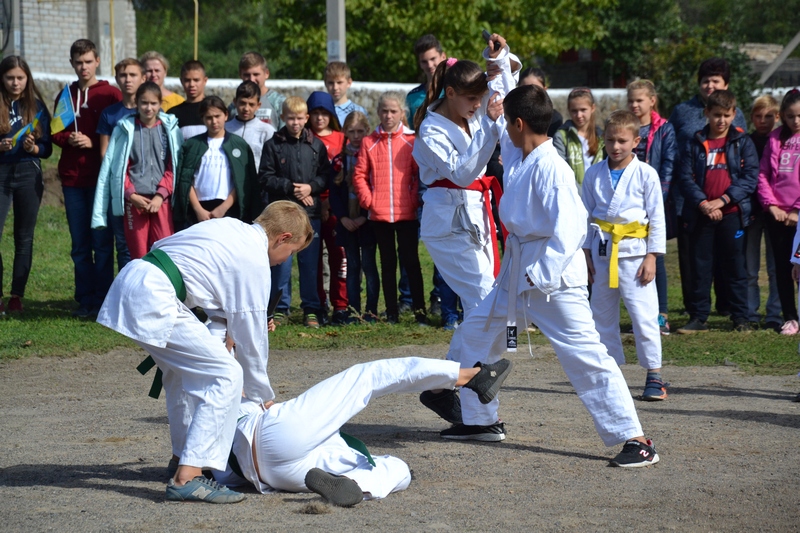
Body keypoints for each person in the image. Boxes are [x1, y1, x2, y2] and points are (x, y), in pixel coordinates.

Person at [424, 40, 660, 465]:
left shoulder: (551, 167)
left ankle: (637, 439)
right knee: (477, 332)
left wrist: (540, 275)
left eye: (506, 123)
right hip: (517, 273)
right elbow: (516, 100)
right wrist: (500, 63)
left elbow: (571, 229)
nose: (501, 130)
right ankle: (480, 421)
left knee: (586, 356)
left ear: (516, 124)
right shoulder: (522, 150)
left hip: (553, 280)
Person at [97, 200, 314, 503]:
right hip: (156, 296)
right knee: (227, 375)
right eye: (289, 254)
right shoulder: (253, 259)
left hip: (137, 278)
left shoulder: (229, 226)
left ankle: (181, 456)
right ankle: (189, 477)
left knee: (178, 375)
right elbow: (251, 339)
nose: (283, 261)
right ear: (283, 238)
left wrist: (225, 322)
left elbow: (175, 253)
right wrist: (263, 395)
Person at [212, 356, 512, 506]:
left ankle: (354, 486)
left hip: (269, 475)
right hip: (275, 441)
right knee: (365, 376)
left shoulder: (211, 411)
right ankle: (470, 376)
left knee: (400, 467)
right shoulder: (229, 392)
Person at [411, 51, 506, 321]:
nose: (478, 104)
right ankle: (479, 361)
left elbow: (503, 85)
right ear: (450, 93)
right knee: (484, 295)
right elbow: (461, 174)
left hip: (476, 213)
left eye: (480, 97)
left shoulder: (470, 110)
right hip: (448, 222)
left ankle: (466, 362)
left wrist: (498, 57)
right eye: (472, 98)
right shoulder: (431, 131)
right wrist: (488, 125)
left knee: (484, 296)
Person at [582, 110, 667, 400]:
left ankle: (654, 373)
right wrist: (586, 253)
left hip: (635, 255)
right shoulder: (594, 173)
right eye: (610, 140)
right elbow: (585, 215)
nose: (615, 147)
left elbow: (657, 217)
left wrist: (653, 256)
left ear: (636, 141)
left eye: (622, 140)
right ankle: (610, 372)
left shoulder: (646, 174)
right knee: (601, 317)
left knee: (644, 317)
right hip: (602, 251)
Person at [669, 58, 748, 318]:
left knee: (728, 258)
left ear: (726, 84)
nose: (710, 85)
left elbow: (743, 160)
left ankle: (728, 306)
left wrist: (726, 199)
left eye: (716, 80)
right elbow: (673, 150)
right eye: (706, 80)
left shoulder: (738, 116)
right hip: (689, 198)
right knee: (695, 260)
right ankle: (696, 308)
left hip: (728, 202)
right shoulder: (682, 111)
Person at [675, 90, 759, 334]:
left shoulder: (743, 142)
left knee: (735, 267)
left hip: (732, 214)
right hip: (701, 214)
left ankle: (740, 318)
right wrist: (703, 204)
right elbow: (685, 177)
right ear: (706, 114)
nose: (721, 120)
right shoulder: (695, 141)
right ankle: (698, 317)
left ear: (734, 115)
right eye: (716, 115)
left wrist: (722, 201)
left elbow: (749, 178)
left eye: (726, 115)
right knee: (700, 268)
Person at [52, 39, 122, 317]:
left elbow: (119, 133)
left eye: (88, 61)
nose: (83, 67)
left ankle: (103, 297)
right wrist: (68, 138)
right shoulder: (66, 95)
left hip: (100, 180)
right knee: (80, 244)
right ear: (72, 63)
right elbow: (54, 131)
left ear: (97, 62)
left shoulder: (110, 94)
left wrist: (94, 142)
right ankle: (84, 298)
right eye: (78, 62)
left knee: (102, 242)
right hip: (72, 180)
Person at [354, 92, 427, 325]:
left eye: (393, 111)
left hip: (407, 213)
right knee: (387, 265)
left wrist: (414, 199)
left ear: (402, 113)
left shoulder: (412, 140)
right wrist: (369, 201)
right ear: (378, 112)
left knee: (411, 263)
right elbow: (359, 175)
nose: (388, 115)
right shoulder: (369, 141)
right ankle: (392, 312)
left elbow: (420, 174)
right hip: (380, 215)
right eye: (384, 111)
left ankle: (420, 312)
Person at [259, 96, 331, 328]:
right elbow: (266, 177)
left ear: (307, 118)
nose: (295, 122)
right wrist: (292, 188)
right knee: (281, 265)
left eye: (300, 118)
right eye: (290, 118)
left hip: (310, 215)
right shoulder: (273, 144)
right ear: (283, 118)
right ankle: (280, 308)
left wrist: (311, 187)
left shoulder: (316, 146)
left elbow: (325, 176)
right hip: (282, 217)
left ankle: (311, 308)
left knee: (310, 264)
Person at [92, 81, 182, 259]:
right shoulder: (124, 129)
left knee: (164, 252)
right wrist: (131, 195)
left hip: (161, 201)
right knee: (138, 255)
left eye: (153, 103)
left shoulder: (170, 129)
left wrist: (160, 195)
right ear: (137, 103)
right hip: (134, 202)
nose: (149, 108)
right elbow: (118, 168)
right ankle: (136, 287)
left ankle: (160, 287)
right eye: (144, 103)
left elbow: (173, 166)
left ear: (160, 104)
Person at [406, 34, 459, 326]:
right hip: (430, 174)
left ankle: (456, 301)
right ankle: (439, 298)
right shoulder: (415, 97)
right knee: (437, 237)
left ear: (443, 56)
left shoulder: (457, 89)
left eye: (433, 59)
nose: (429, 65)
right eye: (424, 61)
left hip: (460, 170)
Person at [0, 56, 52, 314]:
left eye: (20, 77)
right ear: (2, 78)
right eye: (10, 77)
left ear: (27, 79)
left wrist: (35, 148)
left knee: (24, 237)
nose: (15, 82)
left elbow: (48, 149)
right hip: (0, 174)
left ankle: (16, 296)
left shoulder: (37, 106)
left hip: (28, 175)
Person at [627, 79, 677, 335]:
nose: (635, 105)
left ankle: (662, 313)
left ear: (651, 101)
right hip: (630, 205)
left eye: (640, 100)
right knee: (632, 258)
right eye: (631, 101)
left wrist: (657, 198)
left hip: (656, 201)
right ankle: (637, 314)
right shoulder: (625, 127)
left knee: (656, 256)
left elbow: (668, 166)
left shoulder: (665, 129)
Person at [173, 96, 258, 229]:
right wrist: (198, 209)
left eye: (217, 116)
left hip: (229, 208)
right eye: (208, 117)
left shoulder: (239, 144)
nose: (214, 121)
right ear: (202, 119)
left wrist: (223, 207)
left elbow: (243, 180)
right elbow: (185, 180)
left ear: (226, 115)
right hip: (199, 209)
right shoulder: (191, 145)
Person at [756, 89, 800, 335]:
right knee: (783, 268)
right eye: (791, 116)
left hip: (798, 217)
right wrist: (771, 205)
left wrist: (796, 210)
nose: (796, 121)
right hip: (777, 216)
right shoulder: (775, 138)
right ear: (782, 115)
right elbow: (763, 174)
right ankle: (790, 317)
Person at [329, 111, 379, 322]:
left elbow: (378, 187)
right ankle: (353, 310)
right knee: (352, 267)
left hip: (367, 219)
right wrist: (343, 218)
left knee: (369, 266)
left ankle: (371, 311)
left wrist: (365, 216)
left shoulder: (373, 155)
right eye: (352, 132)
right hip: (347, 221)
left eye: (361, 131)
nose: (357, 136)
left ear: (367, 131)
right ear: (345, 132)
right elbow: (333, 193)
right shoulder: (339, 161)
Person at [306, 91, 348, 326]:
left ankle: (340, 305)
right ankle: (318, 304)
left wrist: (330, 202)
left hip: (336, 207)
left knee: (339, 257)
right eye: (315, 113)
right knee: (313, 259)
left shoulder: (341, 139)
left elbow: (343, 175)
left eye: (324, 112)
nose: (319, 117)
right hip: (310, 205)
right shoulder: (304, 138)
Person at [748, 95, 782, 331]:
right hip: (750, 211)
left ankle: (774, 313)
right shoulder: (745, 142)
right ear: (752, 118)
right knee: (749, 268)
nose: (763, 121)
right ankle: (750, 312)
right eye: (758, 116)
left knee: (775, 266)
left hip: (776, 210)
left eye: (768, 116)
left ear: (777, 117)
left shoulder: (782, 141)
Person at [553, 87, 605, 191]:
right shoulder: (562, 136)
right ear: (568, 110)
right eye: (574, 111)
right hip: (573, 196)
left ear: (592, 108)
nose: (579, 115)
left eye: (583, 110)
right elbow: (562, 171)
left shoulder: (602, 137)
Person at [228, 52, 285, 130]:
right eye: (247, 75)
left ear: (266, 74)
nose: (251, 79)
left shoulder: (279, 103)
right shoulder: (234, 106)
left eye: (256, 74)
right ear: (240, 75)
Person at [224, 81, 275, 168]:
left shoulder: (267, 131)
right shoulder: (225, 129)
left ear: (258, 105)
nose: (246, 108)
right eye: (242, 103)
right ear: (235, 102)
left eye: (251, 104)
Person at [167, 60, 208, 139]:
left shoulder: (214, 110)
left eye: (196, 80)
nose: (192, 85)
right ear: (181, 81)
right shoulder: (173, 114)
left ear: (205, 80)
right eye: (187, 80)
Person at [517, 67, 562, 137]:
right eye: (525, 89)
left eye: (535, 89)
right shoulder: (510, 116)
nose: (530, 94)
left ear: (545, 90)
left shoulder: (554, 119)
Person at [324, 61, 368, 127]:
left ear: (349, 82)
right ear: (325, 83)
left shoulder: (358, 111)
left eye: (339, 82)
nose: (335, 87)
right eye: (331, 83)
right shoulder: (321, 111)